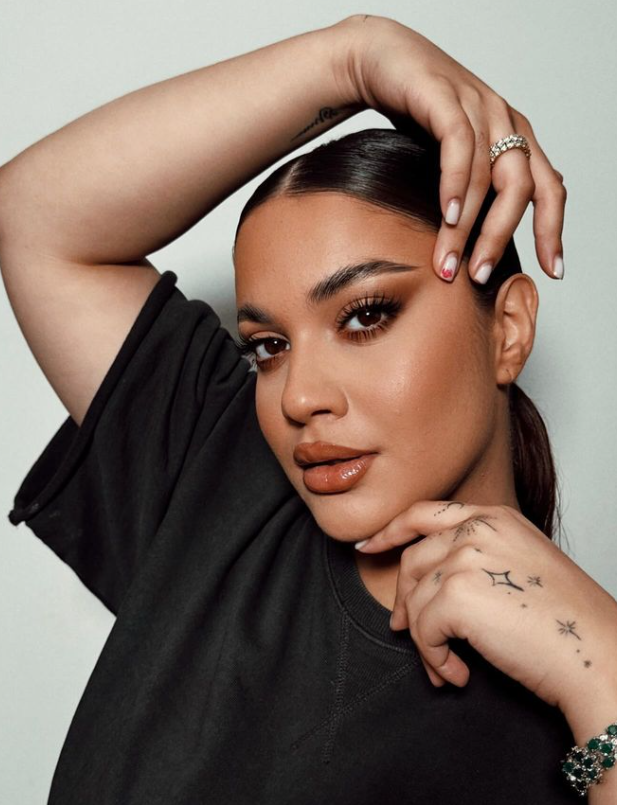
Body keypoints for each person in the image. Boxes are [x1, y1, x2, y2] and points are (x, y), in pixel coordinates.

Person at [1, 13, 616, 804]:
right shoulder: (225, 478)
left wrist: (601, 668)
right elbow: (35, 218)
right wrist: (353, 58)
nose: (297, 396)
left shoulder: (575, 715)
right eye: (267, 345)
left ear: (507, 328)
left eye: (364, 316)